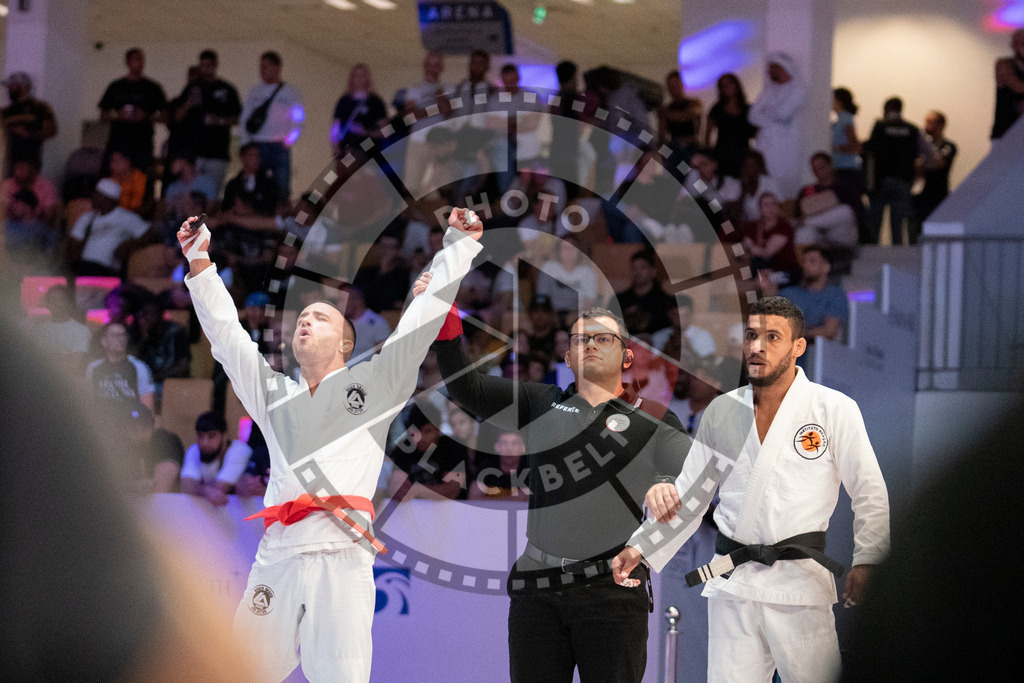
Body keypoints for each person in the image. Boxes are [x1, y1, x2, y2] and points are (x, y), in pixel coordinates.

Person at [176, 205, 482, 682]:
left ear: (345, 343)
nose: (305, 321)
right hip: (278, 551)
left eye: (319, 318)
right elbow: (228, 339)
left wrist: (457, 249)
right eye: (302, 318)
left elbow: (417, 326)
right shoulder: (275, 394)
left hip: (341, 553)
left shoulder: (377, 386)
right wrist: (200, 262)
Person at [612, 295, 890, 683]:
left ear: (798, 347)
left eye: (772, 337)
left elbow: (869, 491)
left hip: (799, 584)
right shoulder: (722, 410)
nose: (757, 347)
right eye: (751, 335)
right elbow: (690, 499)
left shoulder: (833, 409)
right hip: (734, 584)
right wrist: (640, 547)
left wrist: (868, 559)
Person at [424, 295, 690, 682]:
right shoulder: (540, 402)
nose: (591, 345)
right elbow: (469, 388)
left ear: (627, 358)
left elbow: (697, 473)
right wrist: (445, 311)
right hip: (537, 587)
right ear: (567, 359)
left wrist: (666, 482)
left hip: (611, 589)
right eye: (580, 340)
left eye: (603, 339)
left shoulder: (654, 419)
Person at [171, 50, 242, 194]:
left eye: (209, 65)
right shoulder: (192, 88)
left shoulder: (226, 89)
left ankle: (210, 217)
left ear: (215, 65)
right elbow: (177, 117)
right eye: (202, 65)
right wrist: (189, 103)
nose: (205, 69)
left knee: (212, 194)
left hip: (217, 152)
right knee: (191, 191)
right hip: (195, 152)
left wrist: (220, 120)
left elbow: (238, 118)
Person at [864, 97, 931, 245]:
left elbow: (869, 152)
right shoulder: (912, 129)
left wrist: (868, 183)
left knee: (875, 222)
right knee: (898, 224)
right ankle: (897, 258)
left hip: (880, 181)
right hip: (903, 180)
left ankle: (874, 256)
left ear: (886, 109)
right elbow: (929, 154)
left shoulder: (879, 127)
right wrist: (920, 168)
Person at [240, 50, 304, 201]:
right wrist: (246, 144)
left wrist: (289, 141)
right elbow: (245, 118)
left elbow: (298, 119)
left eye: (266, 67)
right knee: (256, 185)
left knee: (281, 187)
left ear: (277, 68)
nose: (262, 71)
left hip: (279, 146)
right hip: (257, 144)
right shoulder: (255, 92)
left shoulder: (290, 92)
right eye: (261, 67)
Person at [97, 47, 167, 172]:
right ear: (128, 62)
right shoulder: (116, 87)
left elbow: (165, 116)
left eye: (141, 59)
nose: (140, 63)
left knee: (141, 181)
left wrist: (146, 116)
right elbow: (103, 116)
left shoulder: (152, 88)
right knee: (113, 184)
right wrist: (118, 115)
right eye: (136, 59)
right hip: (118, 143)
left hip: (142, 145)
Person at [67, 178, 153, 277]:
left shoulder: (126, 217)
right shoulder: (87, 218)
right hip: (83, 268)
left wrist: (128, 245)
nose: (93, 197)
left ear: (108, 199)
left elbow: (150, 235)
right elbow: (73, 245)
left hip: (107, 271)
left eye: (98, 194)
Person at [749, 53, 807, 198]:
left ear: (781, 68)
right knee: (764, 179)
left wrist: (767, 114)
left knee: (782, 182)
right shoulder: (768, 91)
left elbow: (783, 114)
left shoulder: (797, 90)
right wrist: (772, 116)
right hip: (764, 144)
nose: (768, 72)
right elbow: (752, 116)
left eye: (772, 68)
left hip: (784, 147)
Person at [386, 405, 469, 501]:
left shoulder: (453, 447)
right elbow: (397, 490)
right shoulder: (403, 448)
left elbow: (451, 491)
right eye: (415, 432)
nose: (421, 437)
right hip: (414, 512)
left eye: (427, 431)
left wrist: (416, 490)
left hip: (458, 513)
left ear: (438, 430)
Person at [180, 411, 254, 507]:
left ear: (224, 436)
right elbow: (185, 485)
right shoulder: (194, 450)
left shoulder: (239, 450)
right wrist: (206, 490)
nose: (204, 442)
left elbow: (220, 489)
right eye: (200, 436)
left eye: (211, 436)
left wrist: (200, 487)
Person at [779, 246, 848, 343]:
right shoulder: (788, 293)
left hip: (816, 354)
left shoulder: (835, 295)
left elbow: (829, 332)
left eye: (812, 261)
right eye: (804, 261)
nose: (805, 265)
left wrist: (795, 333)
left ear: (826, 267)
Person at [794, 152, 861, 247]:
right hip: (817, 232)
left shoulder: (845, 188)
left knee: (845, 211)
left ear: (830, 166)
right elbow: (798, 215)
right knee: (803, 233)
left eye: (822, 167)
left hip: (838, 232)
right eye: (815, 169)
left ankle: (809, 222)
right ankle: (808, 260)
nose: (818, 171)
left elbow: (855, 214)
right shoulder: (806, 191)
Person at [86, 321, 156, 412]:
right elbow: (90, 404)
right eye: (114, 335)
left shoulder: (140, 368)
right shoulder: (93, 368)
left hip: (131, 421)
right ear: (104, 341)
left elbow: (147, 410)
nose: (120, 339)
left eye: (123, 335)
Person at [1, 71, 58, 175]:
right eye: (8, 86)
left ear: (25, 86)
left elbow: (52, 130)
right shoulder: (5, 112)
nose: (9, 89)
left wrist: (30, 135)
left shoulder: (40, 108)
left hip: (30, 161)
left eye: (13, 85)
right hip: (8, 162)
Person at [704, 73, 756, 179]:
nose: (727, 87)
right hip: (722, 154)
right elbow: (707, 133)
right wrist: (709, 154)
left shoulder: (748, 109)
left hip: (742, 154)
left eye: (729, 84)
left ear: (736, 85)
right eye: (723, 86)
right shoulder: (717, 109)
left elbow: (755, 132)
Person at [613, 248, 676, 337]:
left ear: (653, 271)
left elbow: (668, 331)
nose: (638, 272)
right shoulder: (620, 299)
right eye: (634, 268)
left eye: (643, 267)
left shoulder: (666, 301)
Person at [741, 192, 799, 286]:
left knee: (761, 266)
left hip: (785, 271)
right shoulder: (752, 226)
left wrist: (751, 247)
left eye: (773, 204)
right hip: (762, 271)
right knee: (757, 264)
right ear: (760, 209)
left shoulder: (784, 226)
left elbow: (767, 253)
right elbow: (743, 249)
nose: (770, 208)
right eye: (766, 205)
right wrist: (750, 249)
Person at [331, 63, 388, 155]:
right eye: (356, 75)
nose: (359, 79)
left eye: (363, 75)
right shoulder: (344, 101)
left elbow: (385, 131)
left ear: (368, 79)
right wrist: (336, 148)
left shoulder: (376, 102)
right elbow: (335, 127)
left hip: (368, 150)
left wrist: (365, 132)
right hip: (346, 150)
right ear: (351, 78)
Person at [913, 110, 957, 230]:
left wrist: (922, 162)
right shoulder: (919, 147)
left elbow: (938, 163)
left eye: (930, 122)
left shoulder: (948, 146)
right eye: (926, 122)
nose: (927, 126)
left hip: (938, 197)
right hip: (920, 198)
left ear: (941, 125)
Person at [221, 142, 279, 216]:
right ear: (243, 158)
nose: (256, 159)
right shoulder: (233, 184)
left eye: (258, 156)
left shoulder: (267, 182)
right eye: (252, 155)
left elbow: (271, 207)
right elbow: (226, 208)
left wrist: (250, 210)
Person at [991, 28, 1024, 140]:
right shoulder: (1004, 64)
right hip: (1005, 133)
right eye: (1021, 42)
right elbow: (1018, 87)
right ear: (1013, 45)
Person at [658, 70, 703, 155]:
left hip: (692, 148)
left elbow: (687, 114)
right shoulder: (666, 110)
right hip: (675, 149)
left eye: (676, 84)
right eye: (671, 85)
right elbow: (661, 135)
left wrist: (667, 114)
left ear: (681, 84)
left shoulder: (694, 103)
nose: (674, 88)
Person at [830, 87, 863, 193]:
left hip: (846, 169)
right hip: (842, 168)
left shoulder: (845, 119)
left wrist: (835, 147)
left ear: (838, 101)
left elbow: (854, 146)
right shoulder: (841, 119)